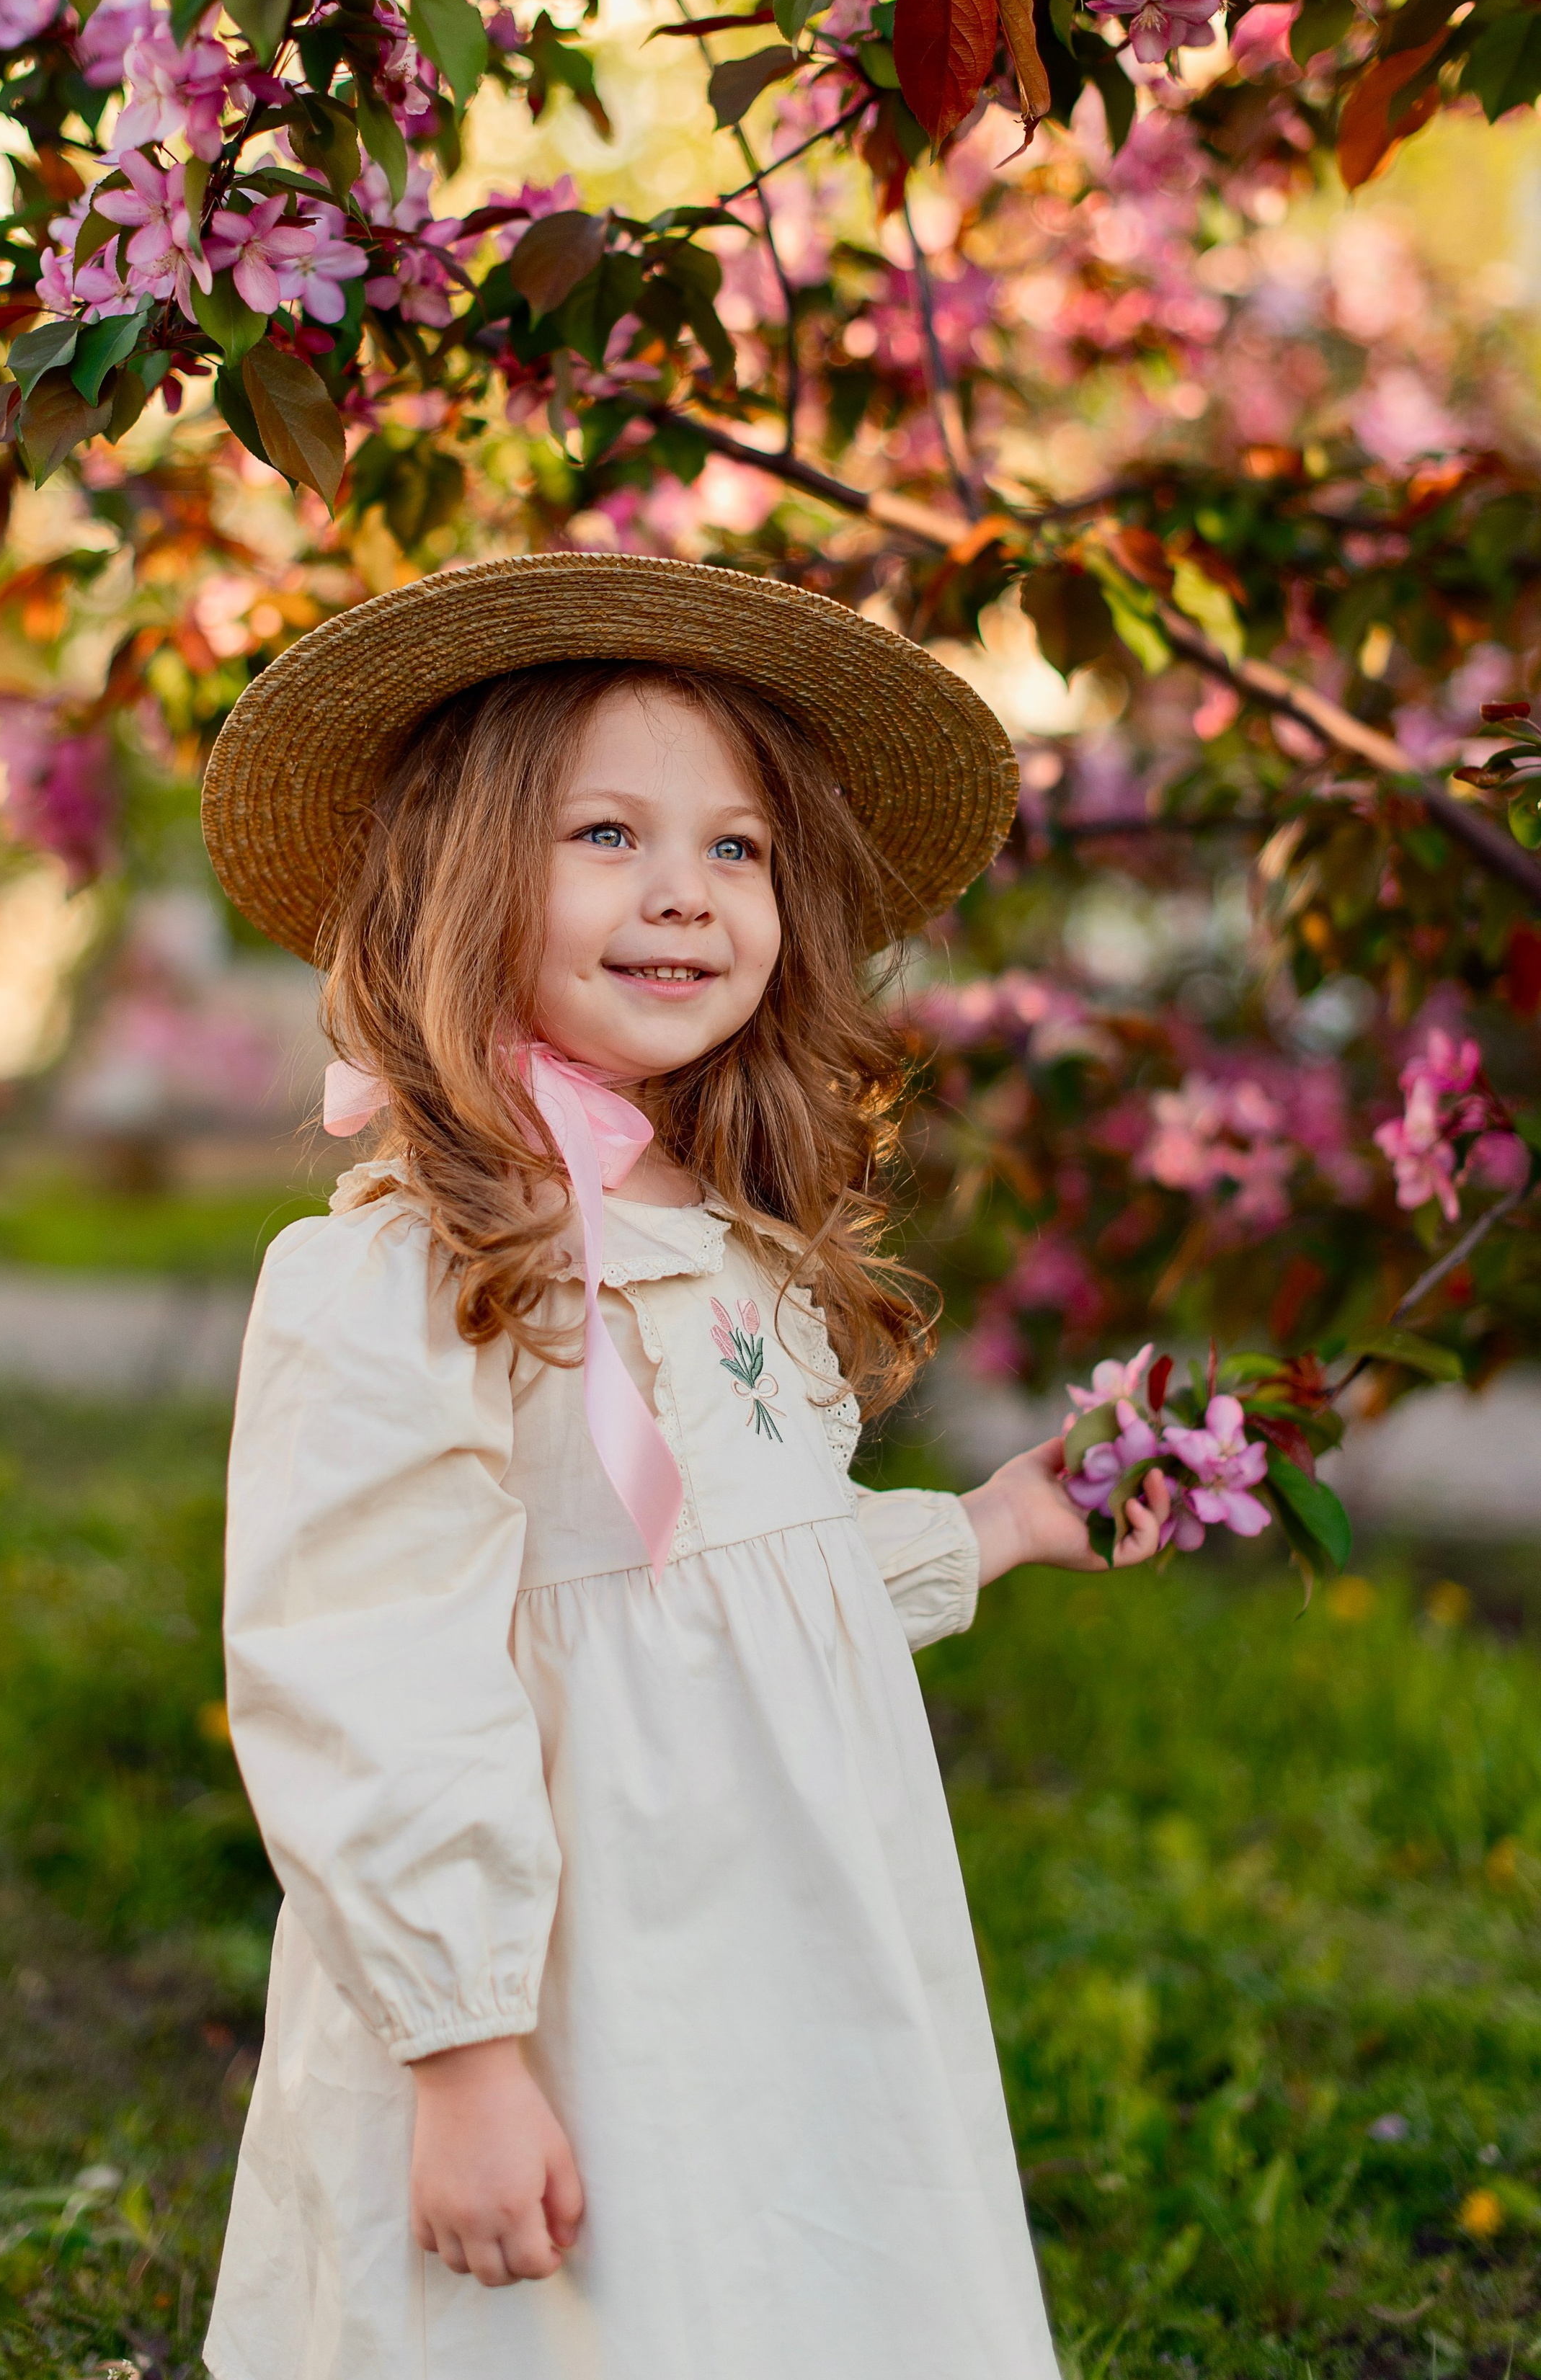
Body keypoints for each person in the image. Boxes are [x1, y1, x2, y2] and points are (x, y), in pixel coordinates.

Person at [197, 556, 1172, 2380]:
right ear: (464, 876)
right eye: (605, 834)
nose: (683, 893)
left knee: (784, 2260)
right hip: (559, 1983)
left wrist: (995, 1527)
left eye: (735, 850)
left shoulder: (724, 1237)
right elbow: (366, 1670)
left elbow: (739, 1587)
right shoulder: (400, 1272)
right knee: (585, 2316)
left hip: (783, 1943)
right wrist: (464, 2052)